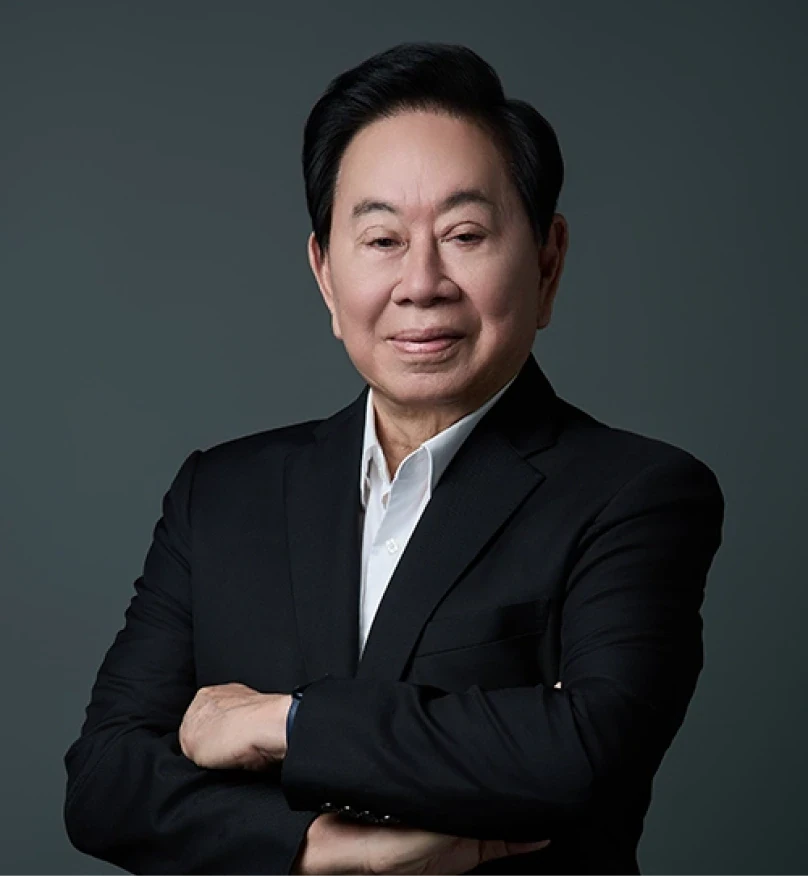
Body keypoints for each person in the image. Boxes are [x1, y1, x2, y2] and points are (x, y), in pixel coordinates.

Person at [63, 42, 725, 876]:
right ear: (325, 275)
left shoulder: (635, 492)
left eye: (465, 234)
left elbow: (586, 751)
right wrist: (315, 848)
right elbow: (106, 780)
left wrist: (285, 722)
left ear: (548, 260)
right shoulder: (221, 494)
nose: (421, 282)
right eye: (381, 238)